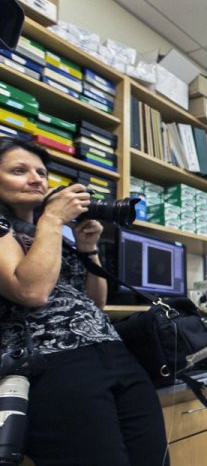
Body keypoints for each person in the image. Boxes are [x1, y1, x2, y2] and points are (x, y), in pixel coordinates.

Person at [0, 137, 168, 465]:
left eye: (41, 171)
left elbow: (94, 302)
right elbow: (31, 291)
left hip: (114, 354)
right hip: (54, 365)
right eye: (19, 171)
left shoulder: (48, 235)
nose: (36, 178)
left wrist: (87, 246)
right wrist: (52, 219)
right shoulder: (16, 228)